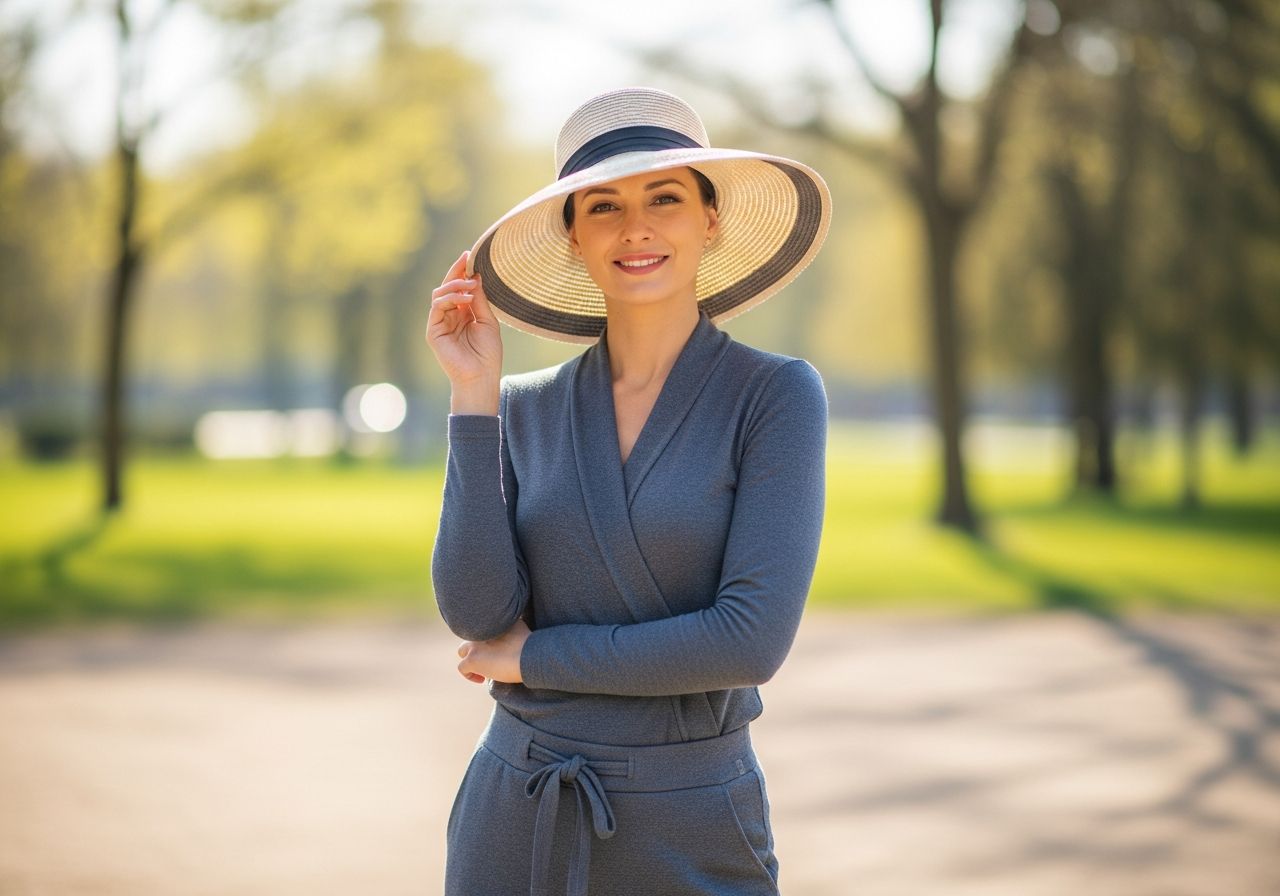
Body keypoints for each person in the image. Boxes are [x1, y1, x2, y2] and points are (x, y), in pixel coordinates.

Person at [426, 86, 831, 896]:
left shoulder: (776, 396)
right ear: (573, 236)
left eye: (665, 197)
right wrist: (473, 396)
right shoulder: (521, 408)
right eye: (603, 205)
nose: (636, 226)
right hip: (517, 813)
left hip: (689, 824)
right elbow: (475, 613)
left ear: (709, 218)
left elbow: (749, 641)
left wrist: (536, 655)